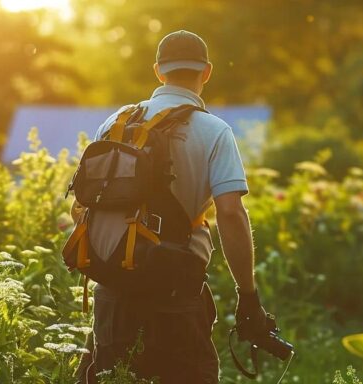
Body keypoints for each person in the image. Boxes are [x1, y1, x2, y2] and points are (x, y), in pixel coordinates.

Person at [74, 30, 268, 384]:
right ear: (206, 72)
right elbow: (230, 213)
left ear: (158, 72)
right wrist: (248, 295)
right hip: (176, 293)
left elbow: (82, 205)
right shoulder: (214, 131)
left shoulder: (116, 123)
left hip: (112, 289)